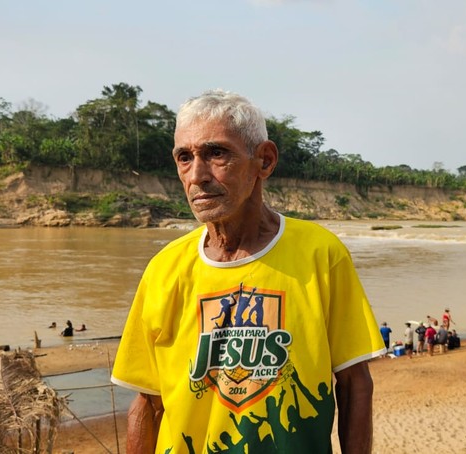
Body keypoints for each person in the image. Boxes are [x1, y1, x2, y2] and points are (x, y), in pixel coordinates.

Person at [110, 90, 384, 454]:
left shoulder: (321, 255)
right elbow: (148, 403)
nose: (197, 176)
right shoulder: (165, 268)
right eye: (184, 157)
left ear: (265, 161)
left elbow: (354, 384)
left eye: (216, 153)